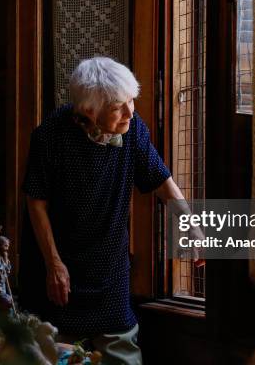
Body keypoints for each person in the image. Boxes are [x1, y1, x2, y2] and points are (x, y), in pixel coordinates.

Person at [20, 57, 192, 365]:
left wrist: (192, 226)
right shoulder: (49, 136)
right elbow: (36, 200)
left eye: (131, 101)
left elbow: (159, 177)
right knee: (58, 351)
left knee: (121, 348)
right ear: (89, 110)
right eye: (117, 107)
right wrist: (53, 264)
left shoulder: (133, 129)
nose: (130, 112)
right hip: (61, 265)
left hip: (109, 264)